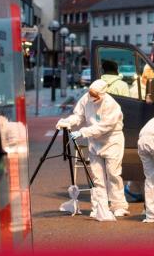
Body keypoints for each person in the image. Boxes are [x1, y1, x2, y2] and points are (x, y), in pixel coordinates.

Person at [56, 80, 130, 220]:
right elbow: (79, 116)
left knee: (113, 173)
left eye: (95, 95)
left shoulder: (111, 104)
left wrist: (83, 132)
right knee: (97, 177)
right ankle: (99, 206)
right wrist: (68, 122)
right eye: (91, 94)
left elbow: (105, 126)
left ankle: (119, 206)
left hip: (111, 140)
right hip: (95, 142)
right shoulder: (86, 98)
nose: (92, 97)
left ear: (103, 93)